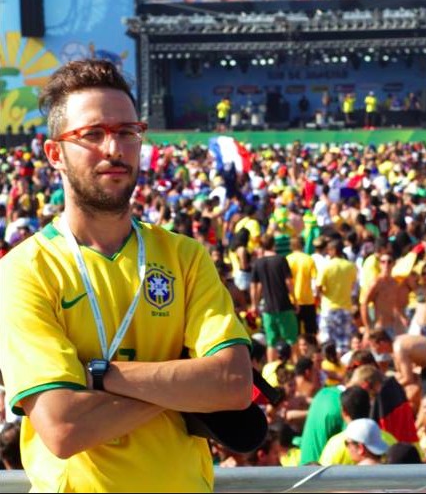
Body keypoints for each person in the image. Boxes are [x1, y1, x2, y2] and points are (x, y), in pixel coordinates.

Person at [0, 59, 253, 493]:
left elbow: (232, 383)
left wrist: (96, 376)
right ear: (54, 153)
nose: (113, 149)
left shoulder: (184, 256)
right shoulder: (23, 271)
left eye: (126, 132)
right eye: (92, 135)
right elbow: (63, 428)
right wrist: (185, 384)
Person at [250, 234, 298, 362]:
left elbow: (254, 286)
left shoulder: (258, 263)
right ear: (274, 245)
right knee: (292, 340)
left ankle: (271, 369)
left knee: (271, 342)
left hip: (268, 308)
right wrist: (295, 300)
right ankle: (295, 366)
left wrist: (254, 305)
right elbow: (289, 282)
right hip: (284, 305)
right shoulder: (281, 260)